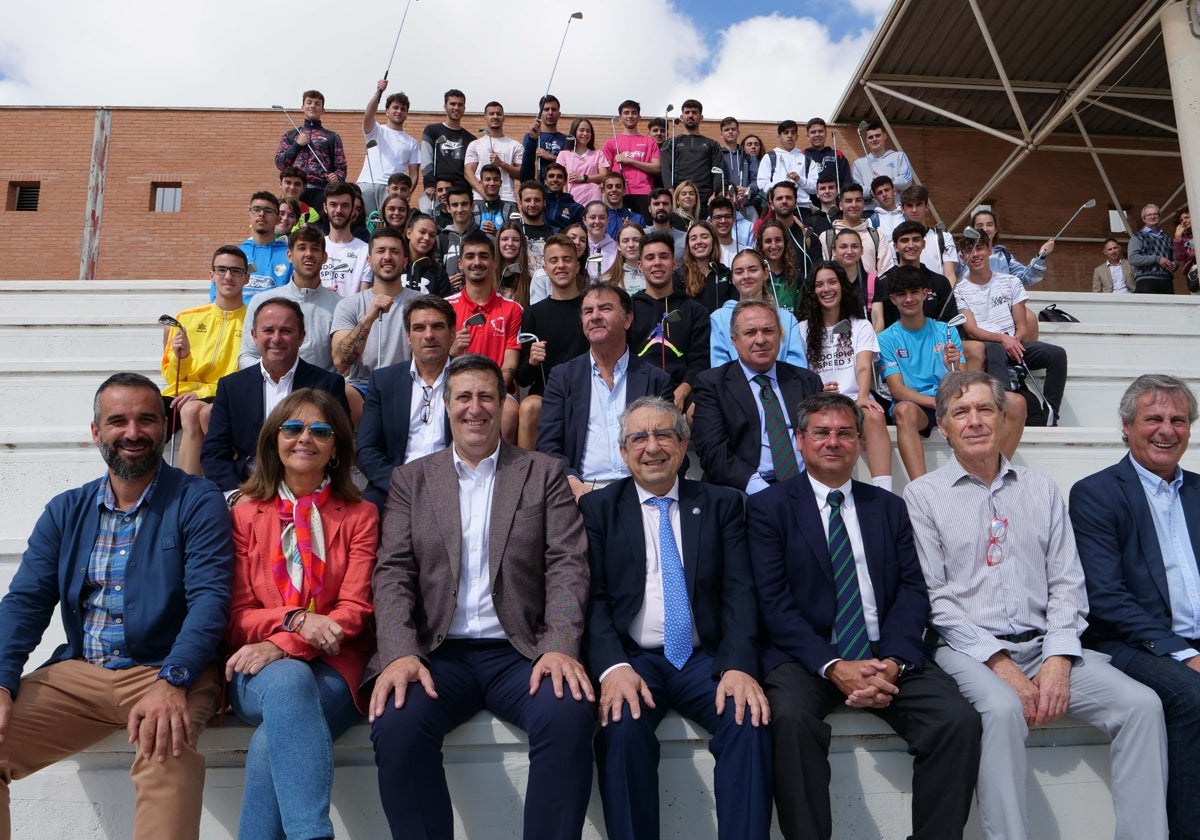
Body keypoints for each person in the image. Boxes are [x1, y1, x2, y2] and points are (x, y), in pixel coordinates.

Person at [904, 370, 1170, 840]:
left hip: (1046, 645)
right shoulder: (922, 496)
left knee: (1141, 706)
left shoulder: (1041, 488)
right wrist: (1001, 664)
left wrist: (1058, 658)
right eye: (960, 413)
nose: (975, 421)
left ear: (1003, 417)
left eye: (985, 409)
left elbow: (1067, 581)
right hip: (970, 651)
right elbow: (936, 600)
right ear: (942, 426)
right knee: (1003, 712)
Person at [367, 354, 596, 840]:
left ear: (503, 403)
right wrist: (400, 653)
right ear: (446, 406)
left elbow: (568, 564)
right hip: (438, 652)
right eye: (464, 397)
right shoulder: (413, 478)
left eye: (487, 396)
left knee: (569, 713)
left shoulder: (543, 473)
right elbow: (392, 572)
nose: (476, 408)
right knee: (398, 723)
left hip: (521, 652)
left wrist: (558, 644)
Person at [0, 372, 232, 839]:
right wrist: (2, 684)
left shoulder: (196, 499)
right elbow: (24, 603)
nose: (132, 432)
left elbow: (210, 599)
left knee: (166, 749)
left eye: (146, 420)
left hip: (166, 668)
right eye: (117, 421)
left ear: (166, 429)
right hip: (81, 674)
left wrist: (176, 679)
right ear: (96, 432)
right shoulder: (66, 510)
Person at [748, 391, 981, 840]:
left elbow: (913, 591)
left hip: (884, 652)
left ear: (859, 442)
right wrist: (834, 665)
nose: (832, 442)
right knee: (791, 723)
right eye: (821, 433)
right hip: (807, 658)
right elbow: (772, 601)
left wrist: (892, 661)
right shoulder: (768, 509)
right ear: (799, 440)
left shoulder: (889, 507)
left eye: (844, 433)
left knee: (957, 721)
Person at [582, 396, 772, 840]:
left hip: (704, 659)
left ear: (683, 446)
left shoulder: (724, 504)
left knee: (748, 719)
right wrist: (612, 669)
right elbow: (593, 601)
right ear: (625, 453)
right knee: (621, 728)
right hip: (635, 660)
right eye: (639, 438)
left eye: (663, 434)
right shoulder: (598, 510)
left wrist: (740, 666)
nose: (652, 447)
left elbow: (740, 592)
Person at [224, 388, 376, 840]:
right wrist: (297, 620)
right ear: (274, 440)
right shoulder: (245, 514)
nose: (304, 438)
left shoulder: (361, 515)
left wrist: (286, 639)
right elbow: (237, 614)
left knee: (272, 743)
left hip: (335, 663)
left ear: (336, 448)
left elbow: (356, 609)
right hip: (255, 669)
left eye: (320, 430)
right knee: (288, 681)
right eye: (292, 428)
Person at [1069, 374, 1200, 839]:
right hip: (1131, 643)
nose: (1167, 430)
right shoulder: (1096, 494)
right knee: (1191, 696)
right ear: (1126, 426)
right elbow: (1106, 597)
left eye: (1178, 420)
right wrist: (1185, 653)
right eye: (1154, 419)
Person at [877, 266, 1024, 480]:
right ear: (893, 299)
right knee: (903, 410)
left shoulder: (946, 329)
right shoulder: (885, 339)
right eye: (901, 294)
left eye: (914, 292)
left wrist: (952, 366)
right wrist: (935, 402)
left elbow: (961, 380)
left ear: (925, 294)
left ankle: (993, 474)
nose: (908, 299)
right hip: (921, 406)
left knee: (1016, 402)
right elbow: (897, 390)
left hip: (951, 398)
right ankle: (921, 489)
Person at [537, 283, 674, 500]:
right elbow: (547, 444)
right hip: (581, 490)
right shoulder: (562, 377)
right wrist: (571, 481)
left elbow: (670, 443)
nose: (595, 316)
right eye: (588, 311)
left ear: (627, 319)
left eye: (605, 308)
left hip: (642, 489)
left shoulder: (656, 379)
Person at [204, 298, 349, 493]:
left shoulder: (328, 385)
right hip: (250, 490)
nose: (276, 338)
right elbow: (214, 453)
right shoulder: (231, 387)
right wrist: (237, 496)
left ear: (301, 337)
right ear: (254, 336)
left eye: (286, 331)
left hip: (310, 490)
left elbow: (339, 444)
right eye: (268, 330)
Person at [692, 299, 823, 494]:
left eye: (768, 331)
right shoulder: (712, 384)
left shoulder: (807, 381)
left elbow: (821, 439)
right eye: (750, 332)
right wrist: (763, 492)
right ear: (734, 340)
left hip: (805, 488)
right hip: (743, 493)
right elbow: (714, 454)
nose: (760, 340)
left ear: (780, 335)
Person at [796, 261, 893, 488]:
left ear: (842, 286)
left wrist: (862, 396)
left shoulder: (861, 326)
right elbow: (800, 371)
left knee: (874, 416)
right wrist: (817, 389)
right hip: (817, 401)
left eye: (832, 282)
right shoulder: (802, 329)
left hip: (852, 399)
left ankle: (884, 491)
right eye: (819, 284)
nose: (826, 289)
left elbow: (863, 365)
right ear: (813, 291)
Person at [955, 230, 1068, 424]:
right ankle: (1004, 412)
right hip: (988, 344)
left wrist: (1013, 341)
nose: (975, 255)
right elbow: (972, 330)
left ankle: (1051, 415)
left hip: (1013, 343)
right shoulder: (960, 289)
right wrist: (1002, 339)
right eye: (968, 251)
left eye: (979, 248)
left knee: (1057, 354)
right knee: (996, 350)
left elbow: (1022, 326)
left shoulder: (1011, 282)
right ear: (962, 257)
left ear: (990, 249)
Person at [356, 295, 455, 511]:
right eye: (419, 328)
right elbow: (366, 450)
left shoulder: (470, 379)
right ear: (408, 336)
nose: (429, 335)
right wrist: (400, 484)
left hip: (456, 487)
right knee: (363, 514)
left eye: (437, 326)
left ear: (452, 334)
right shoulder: (383, 381)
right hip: (395, 485)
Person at [162, 245, 248, 475]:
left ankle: (192, 491)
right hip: (181, 393)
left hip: (224, 393)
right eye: (221, 270)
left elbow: (245, 375)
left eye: (236, 271)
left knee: (191, 411)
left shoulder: (253, 321)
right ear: (211, 275)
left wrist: (200, 392)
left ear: (246, 278)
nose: (228, 276)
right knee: (138, 416)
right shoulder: (185, 319)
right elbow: (171, 377)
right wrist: (184, 357)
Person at [445, 231, 523, 444]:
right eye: (470, 257)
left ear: (494, 262)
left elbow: (509, 366)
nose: (476, 262)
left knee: (507, 413)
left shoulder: (512, 309)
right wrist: (451, 351)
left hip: (496, 391)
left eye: (483, 256)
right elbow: (432, 362)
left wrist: (487, 391)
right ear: (460, 263)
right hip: (454, 389)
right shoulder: (445, 307)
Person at [514, 235, 588, 450]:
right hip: (548, 395)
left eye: (567, 259)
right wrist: (533, 362)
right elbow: (522, 378)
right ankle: (527, 479)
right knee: (528, 406)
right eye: (554, 260)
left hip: (588, 392)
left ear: (577, 265)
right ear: (544, 268)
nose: (561, 265)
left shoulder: (591, 308)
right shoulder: (533, 314)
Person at [239, 225, 344, 374]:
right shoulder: (262, 302)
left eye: (315, 248)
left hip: (321, 392)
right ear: (289, 255)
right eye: (302, 248)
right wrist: (274, 378)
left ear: (324, 257)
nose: (308, 254)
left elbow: (344, 364)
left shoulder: (340, 305)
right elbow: (247, 356)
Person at [331, 227, 421, 397]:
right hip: (363, 387)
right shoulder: (349, 304)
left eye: (394, 251)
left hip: (409, 385)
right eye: (381, 251)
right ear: (369, 260)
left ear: (405, 261)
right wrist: (369, 317)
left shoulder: (421, 303)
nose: (387, 257)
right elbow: (341, 362)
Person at [629, 232, 712, 412]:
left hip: (683, 395)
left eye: (664, 256)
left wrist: (683, 390)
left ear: (674, 263)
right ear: (640, 266)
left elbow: (700, 360)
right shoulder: (628, 310)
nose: (657, 262)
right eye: (650, 258)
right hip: (637, 395)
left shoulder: (695, 311)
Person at [710, 248, 805, 367]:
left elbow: (796, 368)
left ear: (765, 273)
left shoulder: (787, 319)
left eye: (753, 270)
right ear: (732, 279)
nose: (746, 276)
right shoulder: (719, 318)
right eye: (739, 272)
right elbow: (720, 367)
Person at [871, 220, 960, 332]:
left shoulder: (940, 282)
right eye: (904, 240)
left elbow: (950, 323)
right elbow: (879, 323)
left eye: (916, 239)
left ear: (923, 244)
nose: (911, 245)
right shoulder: (883, 282)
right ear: (895, 246)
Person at [274, 90, 347, 211]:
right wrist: (297, 145)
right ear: (302, 107)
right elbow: (280, 163)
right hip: (295, 191)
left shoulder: (332, 137)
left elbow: (341, 167)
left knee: (318, 227)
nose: (313, 106)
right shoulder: (290, 135)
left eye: (317, 103)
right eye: (309, 102)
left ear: (323, 110)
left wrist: (337, 178)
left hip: (320, 191)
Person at [357, 79, 420, 216]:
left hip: (392, 189)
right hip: (367, 184)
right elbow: (368, 115)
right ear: (386, 111)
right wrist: (378, 92)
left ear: (407, 114)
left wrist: (407, 193)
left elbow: (414, 174)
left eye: (403, 109)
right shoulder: (376, 130)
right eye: (395, 107)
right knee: (363, 225)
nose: (399, 111)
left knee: (386, 228)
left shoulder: (412, 142)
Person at [601, 99, 662, 218]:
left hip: (643, 193)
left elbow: (656, 168)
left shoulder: (649, 142)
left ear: (639, 117)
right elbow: (605, 173)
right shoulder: (611, 142)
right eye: (626, 112)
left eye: (634, 113)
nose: (630, 116)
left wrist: (630, 161)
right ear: (620, 117)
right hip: (618, 194)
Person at [821, 183, 895, 279]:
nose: (854, 205)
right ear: (841, 205)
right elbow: (823, 272)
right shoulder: (827, 237)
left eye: (858, 200)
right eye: (848, 201)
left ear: (863, 204)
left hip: (871, 293)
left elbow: (886, 272)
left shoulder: (877, 236)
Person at [661, 99, 723, 207]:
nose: (690, 115)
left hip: (705, 197)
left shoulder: (713, 144)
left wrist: (716, 194)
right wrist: (671, 193)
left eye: (694, 112)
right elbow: (665, 169)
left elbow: (718, 171)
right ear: (681, 117)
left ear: (701, 117)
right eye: (687, 112)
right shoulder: (670, 144)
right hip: (680, 195)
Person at [236, 191, 293, 302]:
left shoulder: (290, 255)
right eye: (256, 209)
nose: (261, 214)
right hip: (241, 319)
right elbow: (218, 295)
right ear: (249, 215)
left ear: (278, 219)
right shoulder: (236, 254)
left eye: (268, 211)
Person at [319, 183, 373, 297]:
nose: (338, 210)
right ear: (325, 207)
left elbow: (363, 298)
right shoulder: (315, 247)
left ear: (352, 208)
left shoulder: (365, 251)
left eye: (345, 205)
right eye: (333, 204)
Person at [465, 102, 524, 204]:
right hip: (479, 198)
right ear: (485, 117)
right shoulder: (475, 144)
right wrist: (483, 193)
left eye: (498, 114)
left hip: (507, 198)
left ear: (503, 117)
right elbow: (468, 172)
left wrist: (502, 164)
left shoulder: (515, 145)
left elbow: (521, 174)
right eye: (491, 114)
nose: (495, 117)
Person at [899, 185, 957, 283]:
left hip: (938, 295)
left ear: (926, 207)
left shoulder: (943, 238)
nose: (914, 210)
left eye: (918, 204)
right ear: (902, 209)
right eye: (909, 205)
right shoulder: (897, 241)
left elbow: (950, 275)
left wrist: (945, 297)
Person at [420, 88, 472, 191]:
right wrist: (430, 184)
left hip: (461, 192)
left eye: (460, 105)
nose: (456, 108)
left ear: (464, 108)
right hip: (437, 191)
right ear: (445, 106)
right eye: (452, 104)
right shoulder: (431, 131)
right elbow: (426, 160)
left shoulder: (471, 139)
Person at [680, 220, 736, 315]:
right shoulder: (680, 277)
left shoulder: (726, 274)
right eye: (693, 238)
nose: (699, 242)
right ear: (688, 245)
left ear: (713, 241)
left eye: (704, 237)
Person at [756, 120, 813, 211]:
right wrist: (781, 188)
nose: (790, 135)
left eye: (793, 132)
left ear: (797, 136)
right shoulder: (770, 157)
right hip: (779, 207)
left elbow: (814, 187)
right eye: (786, 133)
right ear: (779, 136)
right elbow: (762, 183)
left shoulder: (806, 158)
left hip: (803, 207)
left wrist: (800, 180)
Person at [851, 122, 914, 198]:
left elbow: (907, 180)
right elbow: (856, 190)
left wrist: (886, 181)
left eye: (878, 136)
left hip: (895, 208)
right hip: (870, 209)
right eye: (871, 137)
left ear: (884, 136)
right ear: (867, 140)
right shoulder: (858, 163)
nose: (874, 139)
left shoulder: (899, 156)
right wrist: (872, 191)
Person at [801, 118, 851, 209]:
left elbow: (847, 181)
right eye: (813, 132)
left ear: (826, 133)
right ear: (808, 136)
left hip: (836, 206)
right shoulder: (802, 156)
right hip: (810, 208)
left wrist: (844, 201)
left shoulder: (837, 154)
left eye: (820, 131)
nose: (817, 135)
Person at [557, 117, 607, 206]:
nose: (585, 133)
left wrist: (583, 178)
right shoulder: (563, 154)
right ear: (574, 132)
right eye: (581, 130)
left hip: (593, 201)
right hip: (572, 201)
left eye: (588, 131)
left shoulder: (598, 154)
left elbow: (604, 176)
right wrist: (565, 200)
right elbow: (561, 180)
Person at [1129, 203, 1178, 294]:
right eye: (1149, 215)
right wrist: (1157, 259)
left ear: (1159, 217)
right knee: (1147, 308)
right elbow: (1133, 259)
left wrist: (1174, 265)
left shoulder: (1167, 238)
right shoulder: (1137, 237)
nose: (1152, 217)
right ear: (1144, 219)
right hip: (1145, 282)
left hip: (1166, 282)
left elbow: (1175, 259)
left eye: (1155, 214)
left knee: (1168, 308)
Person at [519, 94, 569, 183]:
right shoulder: (531, 137)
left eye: (554, 109)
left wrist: (550, 157)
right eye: (546, 109)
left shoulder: (565, 140)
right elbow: (526, 166)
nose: (550, 113)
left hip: (558, 188)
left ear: (559, 114)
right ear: (540, 113)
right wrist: (532, 139)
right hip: (537, 187)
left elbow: (569, 165)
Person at [757, 219, 803, 313]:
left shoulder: (796, 276)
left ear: (785, 243)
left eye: (778, 240)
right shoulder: (756, 276)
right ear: (761, 245)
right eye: (768, 241)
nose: (773, 246)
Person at [403, 214, 452, 296]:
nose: (427, 238)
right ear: (408, 233)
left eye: (432, 235)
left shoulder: (439, 274)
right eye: (422, 232)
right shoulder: (395, 266)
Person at [540, 162, 585, 232]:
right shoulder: (538, 203)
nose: (555, 179)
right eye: (551, 176)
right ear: (545, 181)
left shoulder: (577, 208)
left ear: (565, 181)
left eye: (559, 177)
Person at [602, 172, 646, 238]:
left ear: (624, 191)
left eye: (618, 186)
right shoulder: (598, 220)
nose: (614, 190)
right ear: (603, 191)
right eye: (609, 187)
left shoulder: (637, 219)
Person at [583, 200, 618, 280]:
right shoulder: (580, 247)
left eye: (602, 217)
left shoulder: (616, 248)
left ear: (608, 220)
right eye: (592, 217)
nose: (597, 221)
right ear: (584, 220)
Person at [868, 176, 905, 241]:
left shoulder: (907, 216)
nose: (884, 194)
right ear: (875, 198)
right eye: (880, 193)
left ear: (894, 191)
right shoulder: (871, 222)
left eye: (887, 190)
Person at [1174, 208, 1195, 279]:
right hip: (1194, 270)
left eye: (1186, 217)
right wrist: (1178, 237)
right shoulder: (1184, 239)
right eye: (1181, 220)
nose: (1184, 221)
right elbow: (1181, 256)